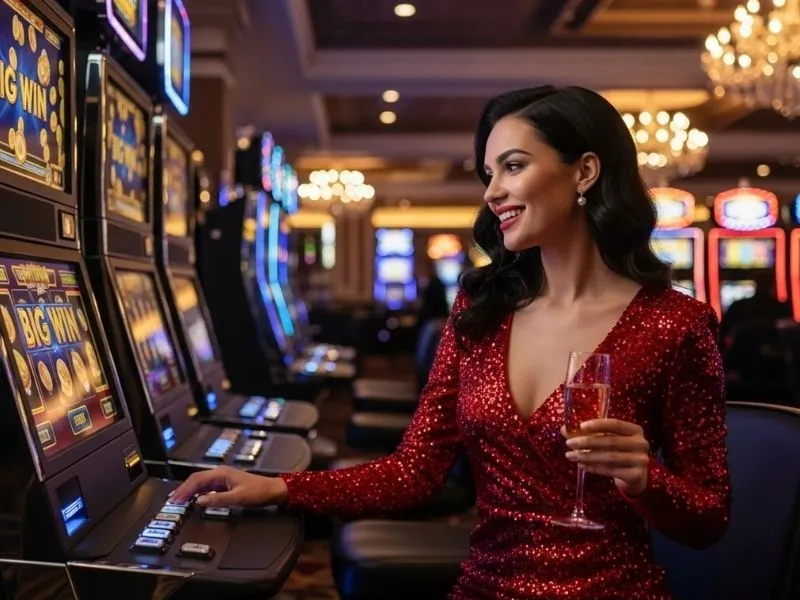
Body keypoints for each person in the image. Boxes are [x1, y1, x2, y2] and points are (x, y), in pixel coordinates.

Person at [172, 86, 730, 599]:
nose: (492, 193)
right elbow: (415, 473)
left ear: (584, 171)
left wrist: (645, 480)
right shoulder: (481, 311)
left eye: (513, 166)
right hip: (485, 587)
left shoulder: (675, 324)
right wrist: (277, 488)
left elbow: (709, 520)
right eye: (488, 173)